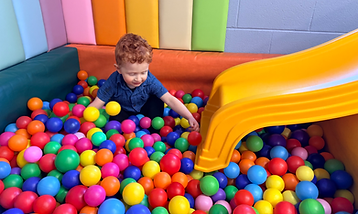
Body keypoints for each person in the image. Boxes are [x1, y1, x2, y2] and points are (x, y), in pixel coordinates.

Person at [88, 33, 200, 132]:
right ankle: (124, 137)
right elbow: (99, 102)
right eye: (132, 74)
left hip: (145, 109)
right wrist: (86, 117)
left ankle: (152, 133)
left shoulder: (150, 81)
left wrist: (189, 116)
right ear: (118, 69)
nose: (139, 78)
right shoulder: (113, 81)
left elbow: (170, 99)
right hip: (124, 112)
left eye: (143, 72)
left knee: (157, 100)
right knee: (114, 122)